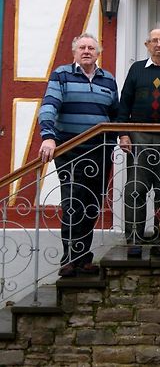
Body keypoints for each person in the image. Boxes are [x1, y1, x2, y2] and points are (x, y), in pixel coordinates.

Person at [38, 33, 119, 278]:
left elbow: (116, 114)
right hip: (70, 150)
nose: (86, 51)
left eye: (91, 48)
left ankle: (84, 258)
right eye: (82, 47)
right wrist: (48, 136)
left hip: (99, 150)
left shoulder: (108, 80)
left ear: (98, 53)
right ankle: (69, 259)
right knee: (73, 203)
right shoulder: (61, 75)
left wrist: (121, 135)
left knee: (92, 205)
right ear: (74, 52)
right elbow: (50, 104)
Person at [118, 25, 160, 257]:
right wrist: (123, 134)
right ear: (147, 45)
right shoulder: (137, 69)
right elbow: (124, 104)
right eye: (154, 40)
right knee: (135, 189)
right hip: (138, 137)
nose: (158, 44)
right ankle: (134, 239)